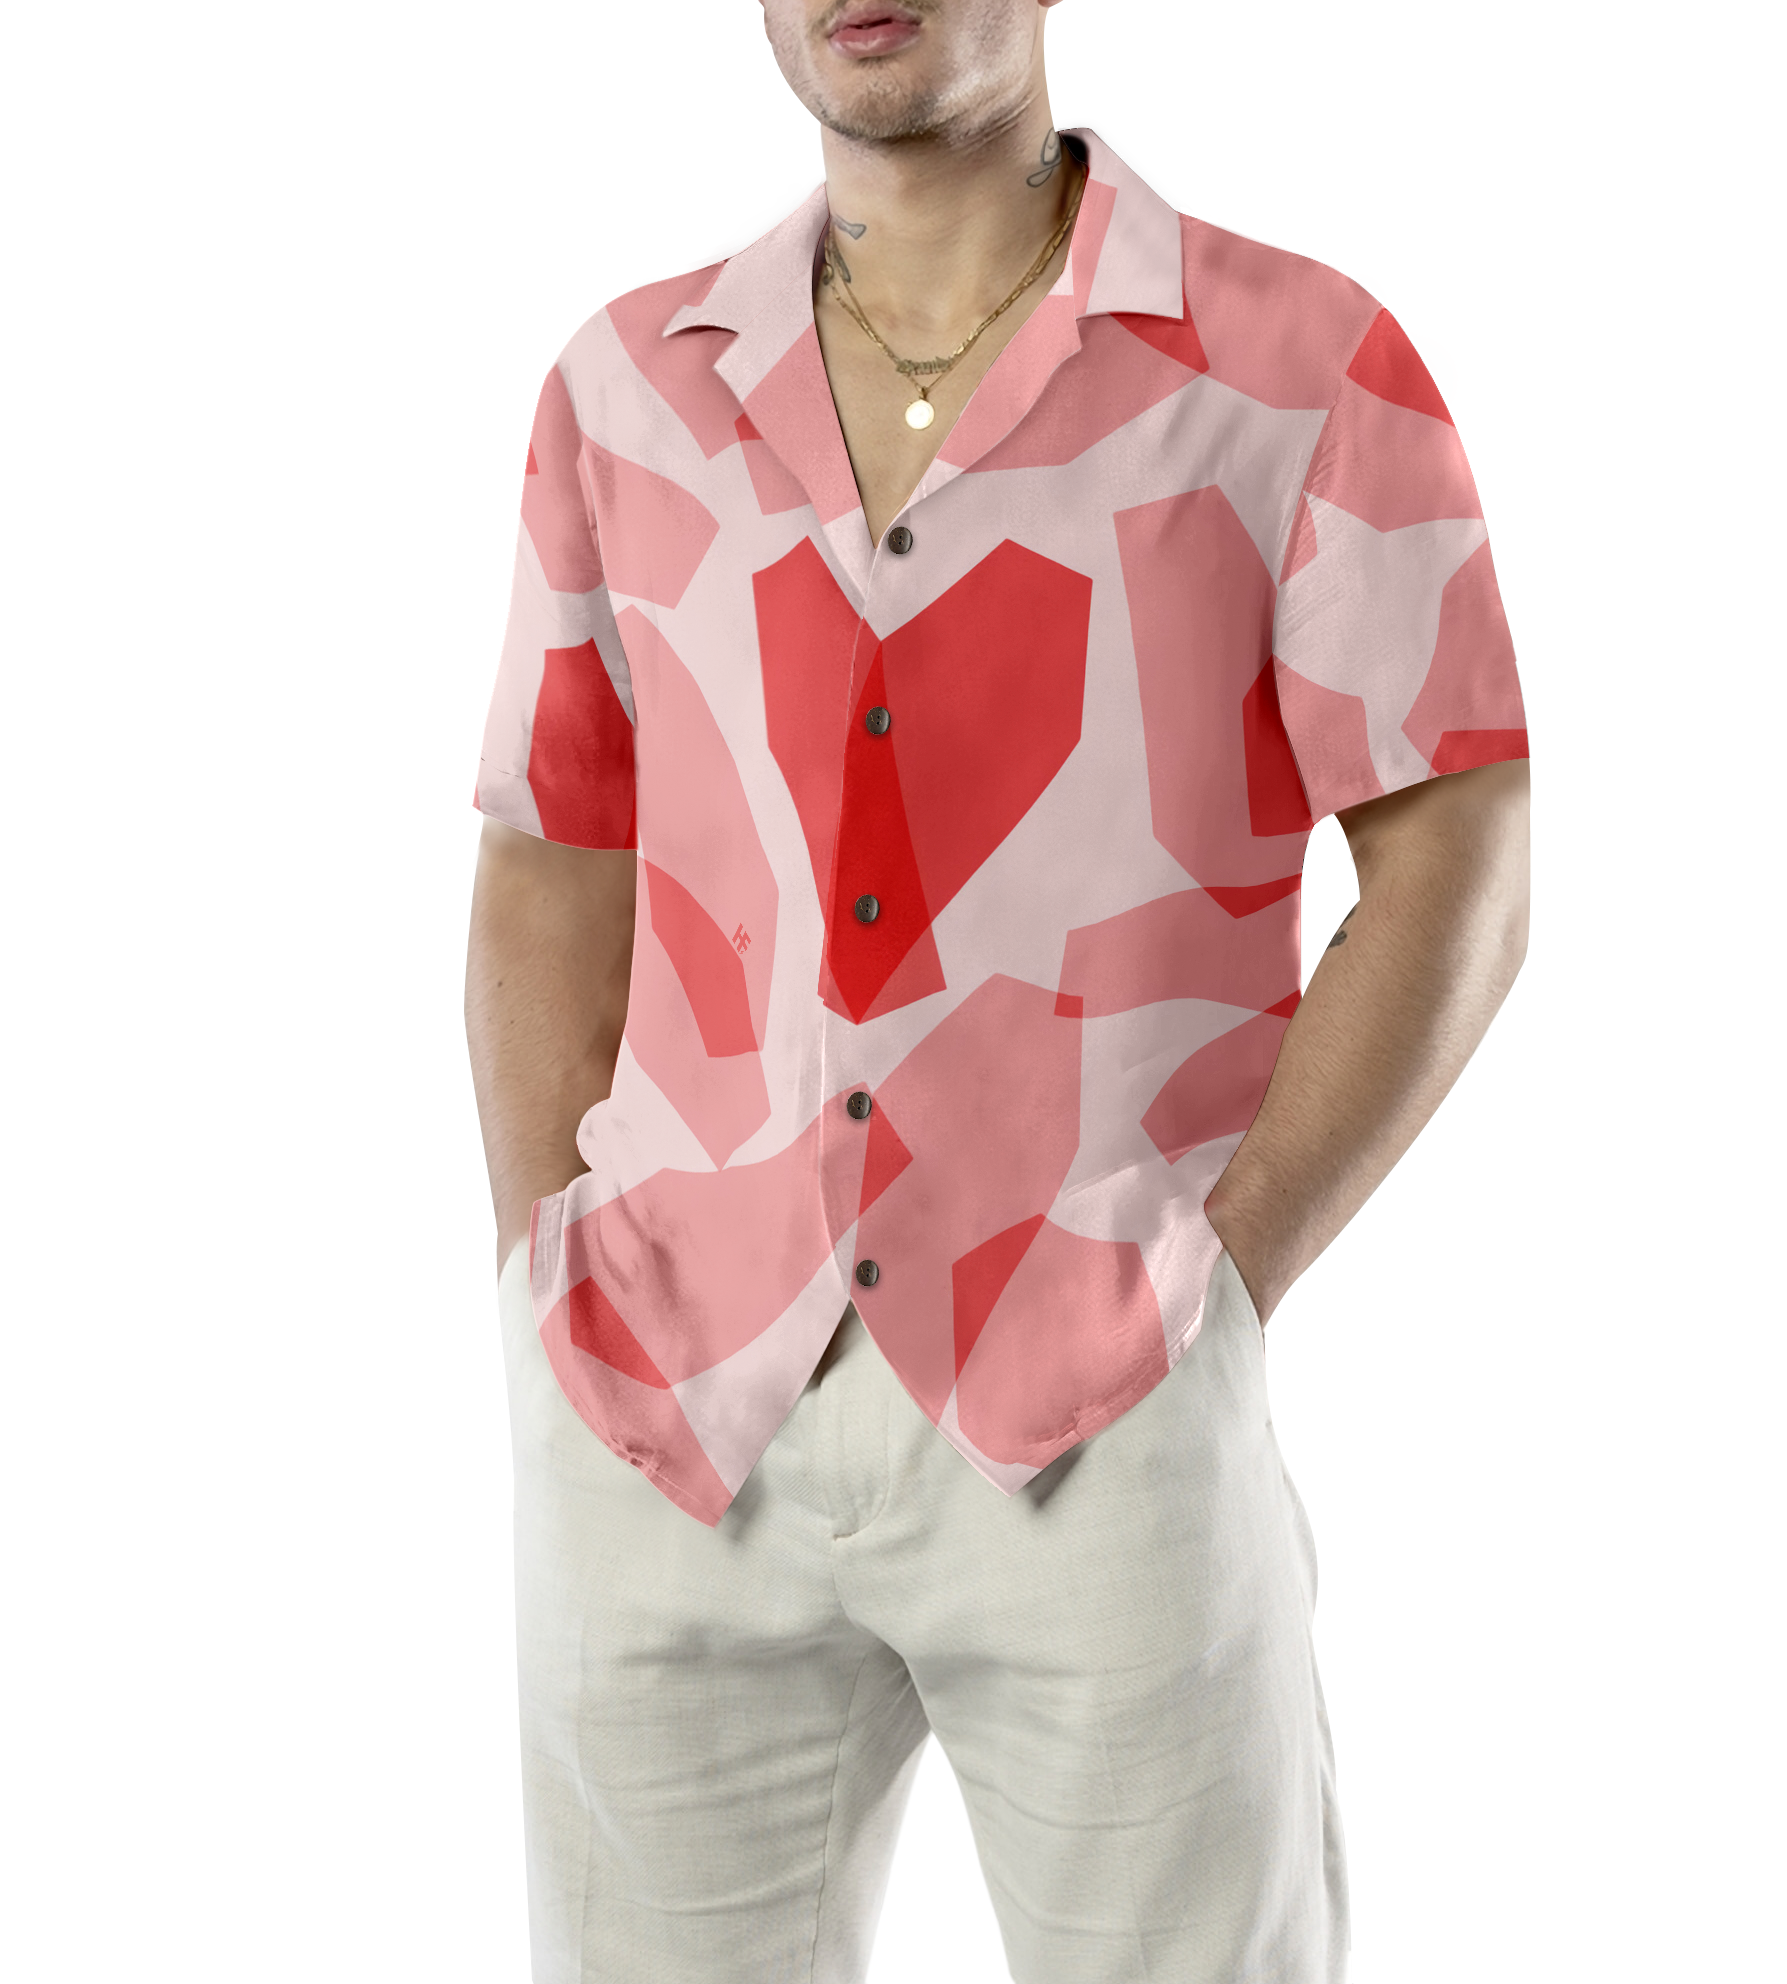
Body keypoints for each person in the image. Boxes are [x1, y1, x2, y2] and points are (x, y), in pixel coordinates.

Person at [464, 2, 1530, 1977]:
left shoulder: (1300, 365)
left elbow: (1456, 840)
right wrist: (551, 1262)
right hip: (668, 1403)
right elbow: (551, 855)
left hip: (1101, 1393)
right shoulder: (623, 388)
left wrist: (1226, 1274)